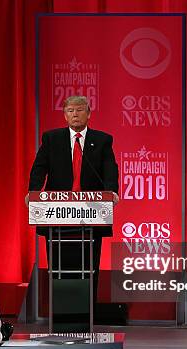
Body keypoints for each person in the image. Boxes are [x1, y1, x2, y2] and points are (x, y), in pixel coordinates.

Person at [26, 95, 119, 310]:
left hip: (91, 212)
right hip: (58, 212)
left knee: (89, 264)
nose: (75, 114)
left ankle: (87, 310)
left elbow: (109, 168)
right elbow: (39, 167)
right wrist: (33, 192)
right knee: (58, 262)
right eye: (70, 110)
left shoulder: (103, 139)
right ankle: (61, 309)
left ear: (89, 113)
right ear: (65, 115)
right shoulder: (52, 138)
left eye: (79, 110)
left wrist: (112, 191)